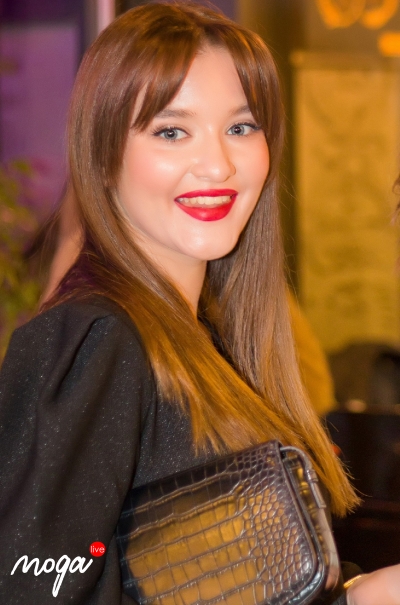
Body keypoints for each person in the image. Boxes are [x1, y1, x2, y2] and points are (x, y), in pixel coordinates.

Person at [0, 2, 399, 604]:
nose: (217, 165)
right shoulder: (97, 336)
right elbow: (32, 584)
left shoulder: (208, 342)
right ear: (103, 154)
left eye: (241, 128)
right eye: (171, 131)